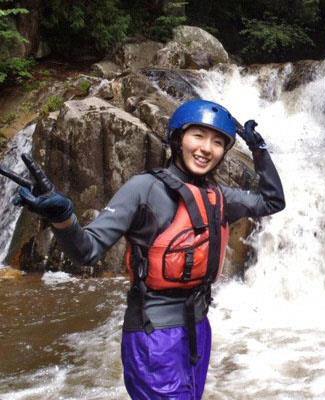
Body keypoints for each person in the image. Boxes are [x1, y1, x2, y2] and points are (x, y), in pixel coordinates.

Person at [12, 99, 285, 399]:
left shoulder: (219, 197)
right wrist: (62, 218)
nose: (207, 148)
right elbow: (86, 251)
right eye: (198, 136)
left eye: (218, 142)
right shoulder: (144, 189)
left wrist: (259, 151)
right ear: (178, 139)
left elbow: (273, 201)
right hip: (153, 336)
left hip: (198, 330)